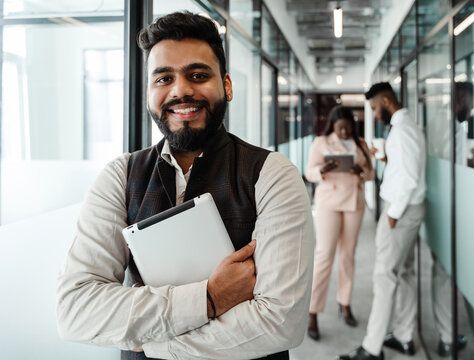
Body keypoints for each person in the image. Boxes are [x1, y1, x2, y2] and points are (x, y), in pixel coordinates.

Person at [56, 11, 314, 360]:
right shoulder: (120, 175)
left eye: (197, 75)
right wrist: (209, 299)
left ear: (227, 85)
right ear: (148, 92)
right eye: (163, 78)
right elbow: (75, 310)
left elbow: (281, 322)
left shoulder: (271, 174)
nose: (181, 90)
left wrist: (151, 341)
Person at [338, 82, 426, 360]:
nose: (375, 115)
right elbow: (406, 169)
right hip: (408, 209)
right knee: (405, 273)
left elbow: (410, 178)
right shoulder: (407, 128)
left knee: (384, 276)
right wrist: (387, 158)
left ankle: (372, 348)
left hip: (400, 210)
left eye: (375, 108)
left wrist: (392, 215)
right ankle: (404, 336)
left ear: (386, 101)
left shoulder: (402, 131)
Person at [304, 105, 375, 340]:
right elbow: (309, 172)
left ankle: (344, 302)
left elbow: (371, 174)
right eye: (341, 128)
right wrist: (322, 169)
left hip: (354, 201)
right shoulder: (321, 142)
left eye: (348, 128)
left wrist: (360, 171)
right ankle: (313, 311)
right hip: (329, 203)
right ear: (333, 126)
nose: (345, 132)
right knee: (325, 255)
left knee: (348, 255)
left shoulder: (361, 143)